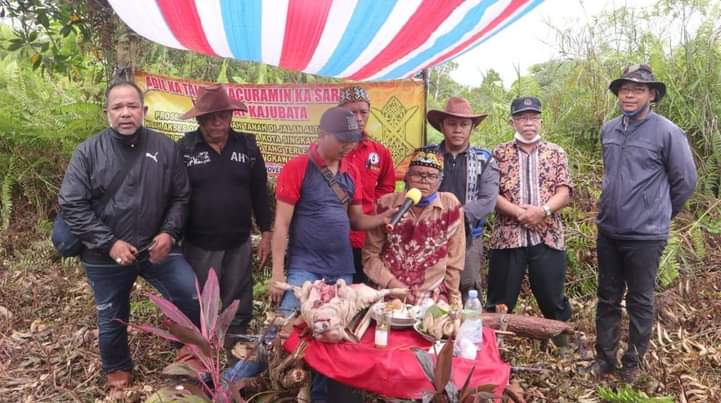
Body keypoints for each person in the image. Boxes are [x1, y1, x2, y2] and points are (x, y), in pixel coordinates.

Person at [58, 80, 200, 392]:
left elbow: (181, 196)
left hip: (155, 247)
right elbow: (71, 203)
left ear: (144, 111)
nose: (126, 113)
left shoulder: (166, 147)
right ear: (106, 113)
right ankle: (117, 367)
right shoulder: (88, 152)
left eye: (132, 106)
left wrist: (168, 232)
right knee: (112, 317)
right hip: (103, 253)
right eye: (118, 107)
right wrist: (109, 243)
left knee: (191, 294)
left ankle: (190, 350)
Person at [269, 106, 393, 403]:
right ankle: (244, 381)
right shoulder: (298, 167)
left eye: (353, 141)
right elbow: (281, 225)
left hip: (341, 269)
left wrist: (381, 218)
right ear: (323, 134)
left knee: (333, 338)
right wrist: (277, 273)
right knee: (284, 331)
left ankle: (321, 398)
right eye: (342, 140)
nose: (349, 146)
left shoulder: (350, 171)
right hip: (304, 268)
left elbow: (356, 220)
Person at [591, 64, 697, 382]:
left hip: (646, 236)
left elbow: (686, 181)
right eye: (625, 88)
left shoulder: (667, 132)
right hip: (609, 229)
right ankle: (605, 359)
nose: (629, 94)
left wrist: (660, 213)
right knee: (607, 297)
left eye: (637, 89)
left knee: (640, 300)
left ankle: (633, 363)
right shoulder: (609, 129)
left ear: (651, 94)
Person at [178, 85, 273, 358]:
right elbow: (174, 195)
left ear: (232, 116)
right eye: (210, 117)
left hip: (238, 241)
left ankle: (236, 351)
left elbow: (259, 192)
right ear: (199, 120)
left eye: (223, 116)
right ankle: (200, 353)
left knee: (238, 297)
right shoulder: (185, 148)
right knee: (200, 299)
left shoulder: (247, 145)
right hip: (199, 243)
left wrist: (266, 231)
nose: (217, 123)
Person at [486, 96, 573, 346]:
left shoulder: (556, 153)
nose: (528, 123)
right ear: (512, 122)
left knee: (553, 298)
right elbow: (492, 194)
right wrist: (521, 214)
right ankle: (492, 348)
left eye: (533, 117)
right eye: (522, 118)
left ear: (541, 121)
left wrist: (542, 211)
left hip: (547, 237)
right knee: (499, 299)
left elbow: (564, 192)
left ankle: (564, 345)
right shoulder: (499, 154)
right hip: (508, 238)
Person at [400, 97, 498, 302]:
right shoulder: (425, 155)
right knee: (422, 285)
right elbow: (412, 190)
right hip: (426, 232)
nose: (458, 129)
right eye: (452, 123)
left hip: (469, 235)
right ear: (442, 126)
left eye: (464, 124)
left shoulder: (484, 158)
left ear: (472, 128)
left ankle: (464, 331)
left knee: (467, 286)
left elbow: (488, 200)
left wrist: (453, 218)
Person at [364, 150, 465, 306]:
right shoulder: (386, 204)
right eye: (418, 174)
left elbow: (454, 261)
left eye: (432, 176)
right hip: (387, 289)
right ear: (406, 177)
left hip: (431, 293)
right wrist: (394, 285)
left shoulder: (450, 206)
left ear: (440, 181)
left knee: (434, 326)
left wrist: (453, 297)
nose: (424, 180)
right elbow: (370, 256)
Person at [338, 86, 396, 283]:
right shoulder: (328, 150)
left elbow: (387, 188)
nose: (359, 117)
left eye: (363, 112)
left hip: (367, 238)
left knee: (363, 296)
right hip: (334, 237)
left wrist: (371, 210)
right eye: (352, 112)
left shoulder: (379, 152)